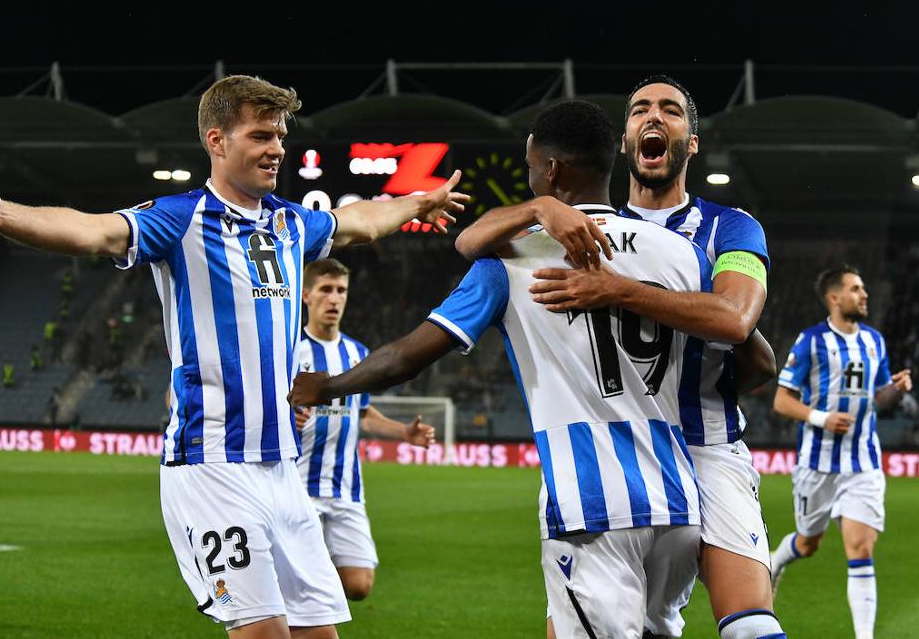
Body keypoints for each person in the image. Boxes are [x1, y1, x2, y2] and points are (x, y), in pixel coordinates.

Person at [0, 74, 467, 639]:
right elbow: (95, 232)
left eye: (281, 136)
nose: (277, 150)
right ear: (217, 141)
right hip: (212, 463)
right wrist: (3, 217)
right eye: (262, 136)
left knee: (319, 635)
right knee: (261, 633)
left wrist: (420, 200)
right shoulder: (181, 218)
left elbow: (360, 221)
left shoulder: (291, 223)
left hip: (284, 468)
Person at [290, 100, 748, 639]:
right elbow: (748, 356)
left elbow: (406, 356)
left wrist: (327, 386)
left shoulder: (513, 260)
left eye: (532, 167)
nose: (530, 178)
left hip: (591, 500)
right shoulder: (684, 254)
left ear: (550, 170)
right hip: (678, 499)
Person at [455, 76, 783, 639]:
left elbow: (734, 320)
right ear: (624, 143)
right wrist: (539, 206)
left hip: (706, 447)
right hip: (612, 452)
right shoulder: (573, 224)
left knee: (750, 629)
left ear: (693, 141)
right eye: (639, 110)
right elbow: (470, 240)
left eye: (672, 111)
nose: (654, 118)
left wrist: (617, 290)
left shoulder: (731, 228)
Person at [767, 265, 913, 639]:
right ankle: (776, 561)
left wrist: (897, 389)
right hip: (817, 463)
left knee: (860, 547)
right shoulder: (811, 342)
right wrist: (821, 418)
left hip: (863, 461)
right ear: (834, 298)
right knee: (809, 542)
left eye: (864, 288)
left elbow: (878, 399)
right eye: (856, 288)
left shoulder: (875, 341)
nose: (864, 294)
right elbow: (782, 402)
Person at [293, 257, 436, 602]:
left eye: (341, 290)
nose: (334, 298)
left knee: (359, 584)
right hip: (297, 487)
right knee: (306, 587)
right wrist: (285, 417)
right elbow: (265, 407)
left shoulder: (357, 354)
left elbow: (363, 413)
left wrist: (404, 433)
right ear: (306, 296)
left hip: (346, 489)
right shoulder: (289, 351)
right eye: (326, 290)